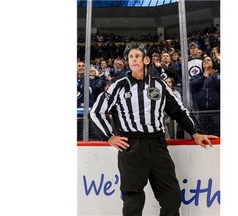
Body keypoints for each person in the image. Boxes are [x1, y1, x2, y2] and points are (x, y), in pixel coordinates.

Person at [89, 43, 218, 216]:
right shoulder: (118, 86)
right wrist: (109, 137)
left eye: (137, 56)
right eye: (130, 57)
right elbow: (96, 112)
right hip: (131, 146)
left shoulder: (160, 85)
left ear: (146, 60)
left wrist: (195, 132)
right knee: (133, 200)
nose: (133, 59)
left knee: (171, 197)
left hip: (158, 145)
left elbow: (178, 111)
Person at [190, 56, 220, 136]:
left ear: (213, 64)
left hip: (216, 112)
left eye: (208, 60)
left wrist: (213, 76)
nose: (206, 61)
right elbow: (193, 86)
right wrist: (203, 77)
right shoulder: (196, 77)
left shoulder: (218, 77)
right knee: (203, 135)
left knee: (217, 136)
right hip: (201, 113)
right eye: (204, 61)